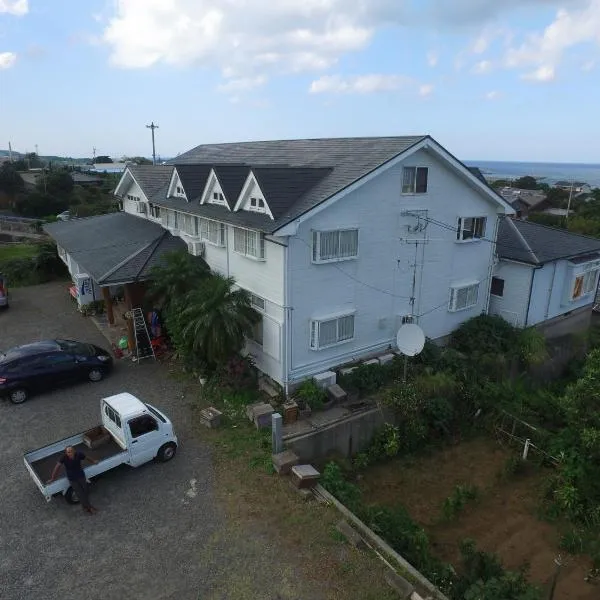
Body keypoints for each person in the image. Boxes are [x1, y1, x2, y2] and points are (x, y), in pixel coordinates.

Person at [48, 446, 99, 514]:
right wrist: (52, 478)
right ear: (66, 453)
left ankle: (85, 507)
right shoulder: (64, 458)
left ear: (74, 451)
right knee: (80, 493)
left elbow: (86, 458)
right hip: (72, 479)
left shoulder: (79, 454)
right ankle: (89, 508)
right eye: (69, 452)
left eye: (72, 451)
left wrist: (93, 461)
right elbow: (57, 467)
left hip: (81, 476)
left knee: (85, 490)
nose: (71, 453)